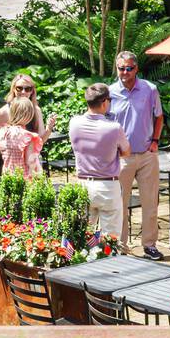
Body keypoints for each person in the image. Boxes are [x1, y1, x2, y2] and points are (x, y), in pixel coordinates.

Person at [107, 51, 164, 259]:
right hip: (121, 157)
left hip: (147, 155)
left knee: (150, 202)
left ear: (136, 68)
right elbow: (103, 124)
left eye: (129, 68)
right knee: (119, 203)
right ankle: (120, 247)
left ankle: (149, 245)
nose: (124, 72)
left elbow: (159, 116)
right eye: (121, 68)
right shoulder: (110, 92)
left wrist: (156, 141)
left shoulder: (150, 89)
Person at [69, 83, 130, 237]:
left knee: (82, 236)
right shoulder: (114, 128)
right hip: (107, 185)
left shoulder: (74, 123)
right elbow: (126, 151)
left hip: (83, 184)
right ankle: (107, 261)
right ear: (104, 102)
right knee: (110, 238)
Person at [0, 74, 55, 141]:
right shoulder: (5, 111)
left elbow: (40, 141)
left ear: (32, 91)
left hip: (32, 151)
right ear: (13, 89)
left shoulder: (36, 110)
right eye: (19, 88)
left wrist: (48, 129)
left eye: (27, 89)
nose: (23, 92)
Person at [0, 97, 43, 178]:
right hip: (24, 180)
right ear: (29, 114)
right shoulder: (28, 137)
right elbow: (30, 161)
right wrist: (39, 175)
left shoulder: (3, 132)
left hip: (8, 177)